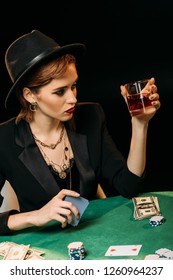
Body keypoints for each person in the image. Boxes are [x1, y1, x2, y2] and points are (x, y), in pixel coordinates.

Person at [0, 30, 160, 235]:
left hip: (94, 236)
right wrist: (35, 216)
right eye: (60, 91)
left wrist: (140, 124)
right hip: (43, 248)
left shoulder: (91, 116)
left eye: (73, 86)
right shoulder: (4, 139)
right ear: (30, 95)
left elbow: (128, 186)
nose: (73, 99)